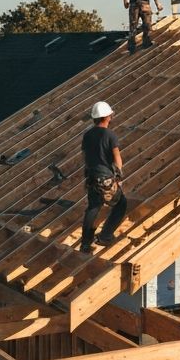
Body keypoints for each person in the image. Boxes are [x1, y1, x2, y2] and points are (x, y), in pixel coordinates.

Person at [79, 101, 127, 252]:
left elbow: (85, 156)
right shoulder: (109, 135)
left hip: (91, 176)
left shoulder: (87, 135)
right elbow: (117, 157)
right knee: (121, 204)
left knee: (93, 207)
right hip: (105, 177)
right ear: (107, 117)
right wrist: (118, 176)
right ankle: (105, 237)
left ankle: (85, 243)